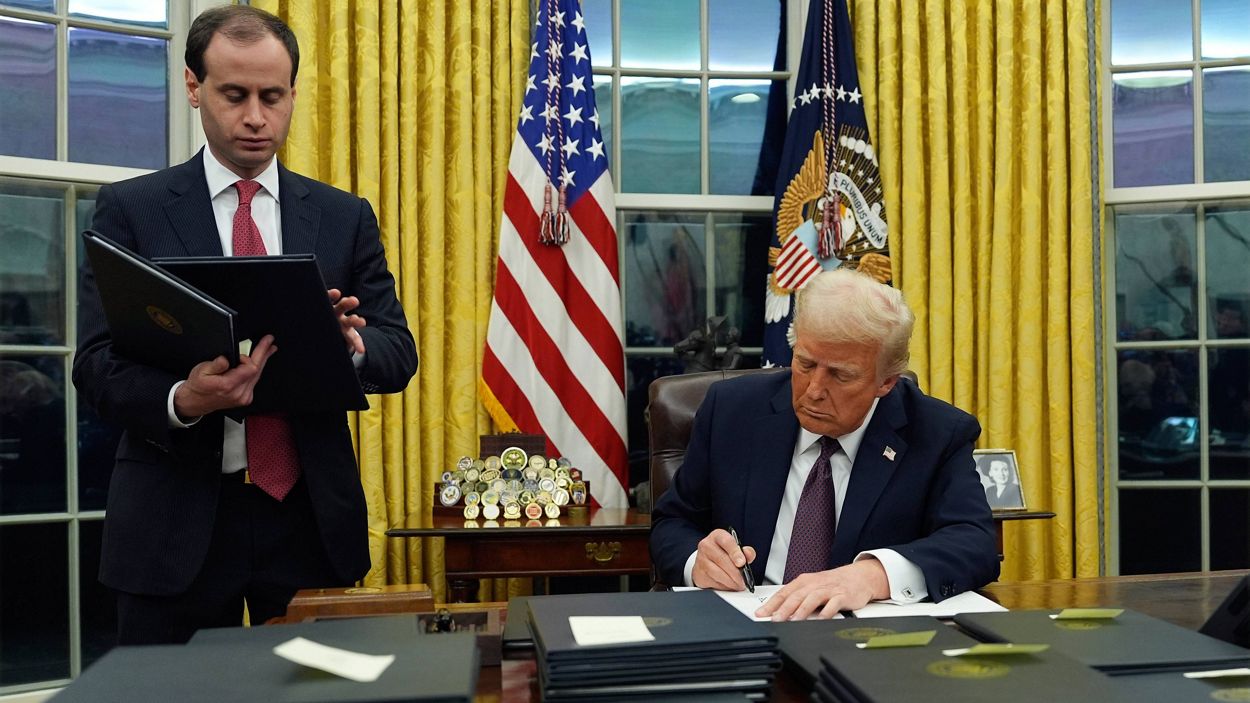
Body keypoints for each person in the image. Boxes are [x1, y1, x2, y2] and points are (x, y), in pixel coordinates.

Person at [72, 6, 417, 645]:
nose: (256, 117)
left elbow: (398, 350)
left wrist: (347, 346)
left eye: (272, 96)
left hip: (310, 519)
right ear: (194, 86)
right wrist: (183, 399)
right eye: (235, 95)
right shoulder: (131, 209)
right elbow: (95, 365)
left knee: (318, 689)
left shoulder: (343, 217)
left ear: (292, 93)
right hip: (173, 522)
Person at [650, 268, 998, 620]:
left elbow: (975, 543)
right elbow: (673, 523)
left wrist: (873, 575)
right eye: (805, 363)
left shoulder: (937, 432)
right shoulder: (732, 411)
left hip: (862, 635)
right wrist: (698, 562)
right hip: (746, 621)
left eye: (841, 375)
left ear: (886, 382)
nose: (814, 390)